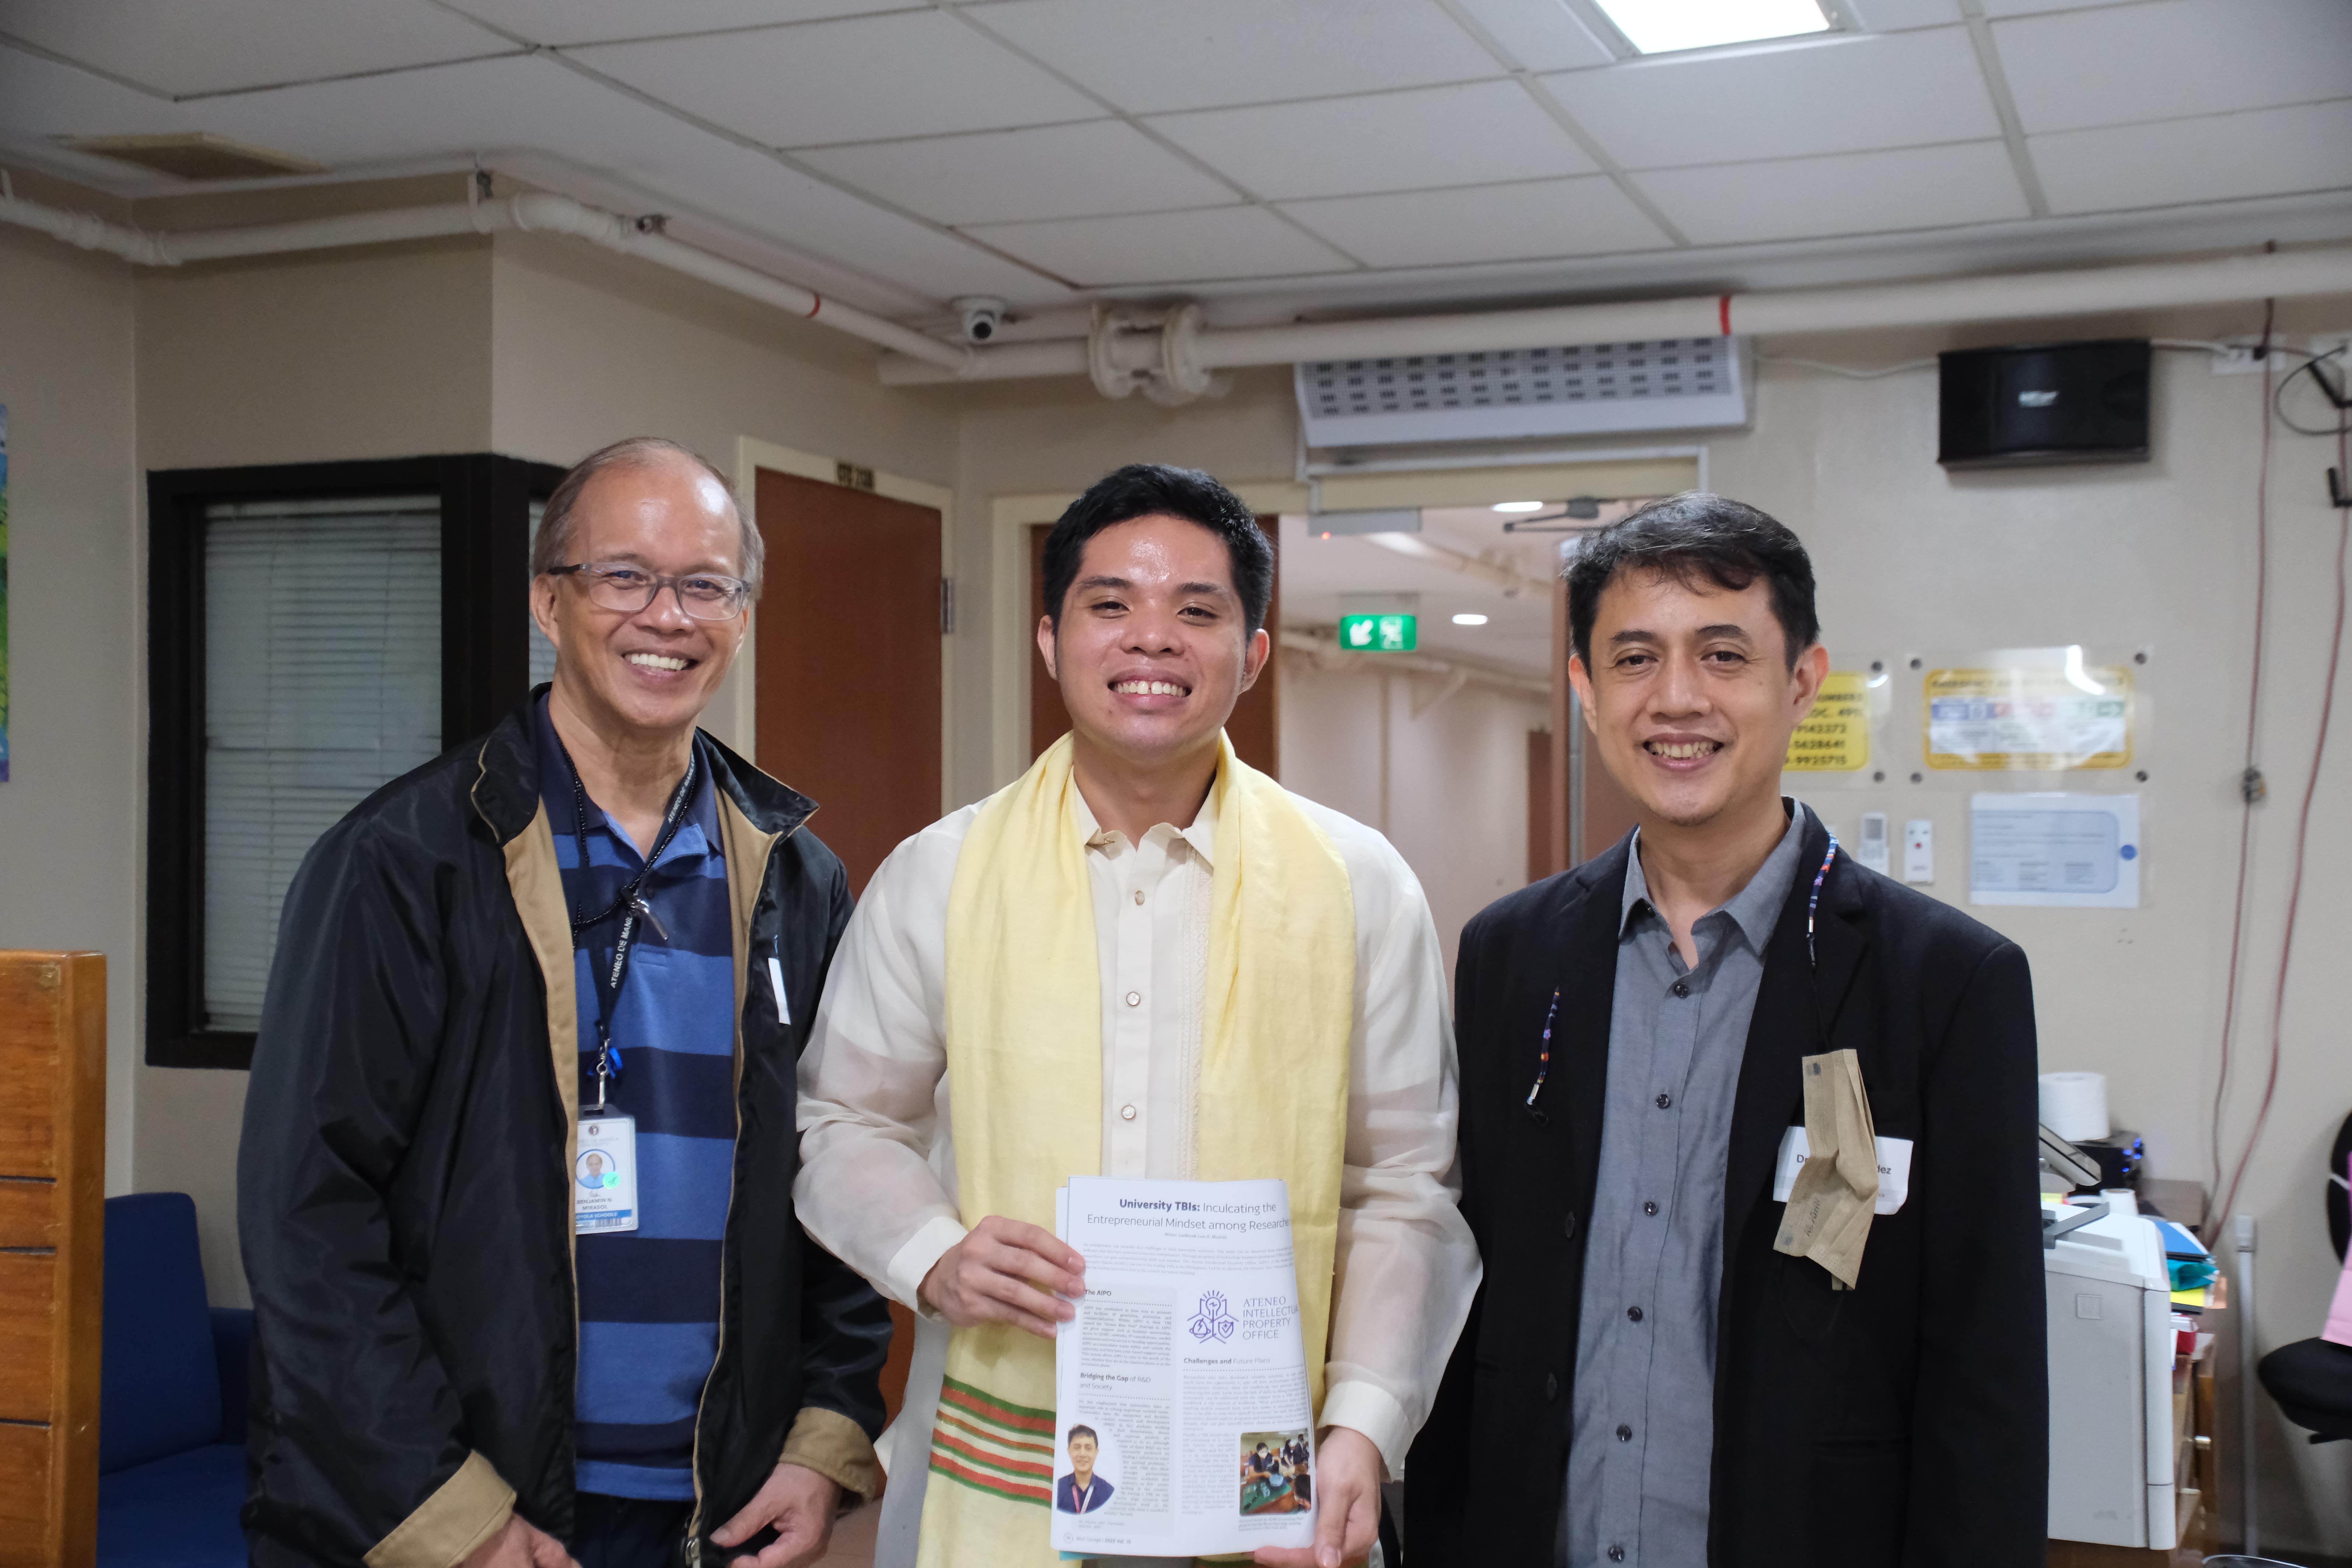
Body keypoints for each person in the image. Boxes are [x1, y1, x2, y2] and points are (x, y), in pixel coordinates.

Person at [794, 463, 1479, 1568]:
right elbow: (840, 1120)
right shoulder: (943, 874)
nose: (1150, 639)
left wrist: (1363, 1421)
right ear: (1050, 639)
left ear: (1251, 653)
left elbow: (1405, 1184)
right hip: (1003, 1459)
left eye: (1196, 611)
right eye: (1110, 605)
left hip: (1262, 1469)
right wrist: (933, 1253)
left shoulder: (1356, 882)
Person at [239, 437, 891, 1568]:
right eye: (624, 576)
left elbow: (841, 1166)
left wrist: (822, 1438)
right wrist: (453, 1513)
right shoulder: (406, 862)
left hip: (713, 1511)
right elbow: (308, 1216)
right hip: (458, 1511)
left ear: (740, 615)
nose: (667, 616)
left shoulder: (796, 878)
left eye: (706, 584)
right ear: (551, 601)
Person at [1405, 494, 2047, 1567]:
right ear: (1583, 688)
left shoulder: (1942, 980)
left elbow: (1984, 1379)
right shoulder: (1510, 955)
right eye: (1633, 658)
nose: (1675, 700)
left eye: (1720, 654)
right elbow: (1477, 1297)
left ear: (1800, 682)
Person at [1056, 1428, 1114, 1515]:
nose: (1083, 1454)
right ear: (1069, 1451)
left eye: (1088, 1448)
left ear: (1096, 1452)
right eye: (1077, 1448)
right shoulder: (1058, 1488)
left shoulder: (1109, 1492)